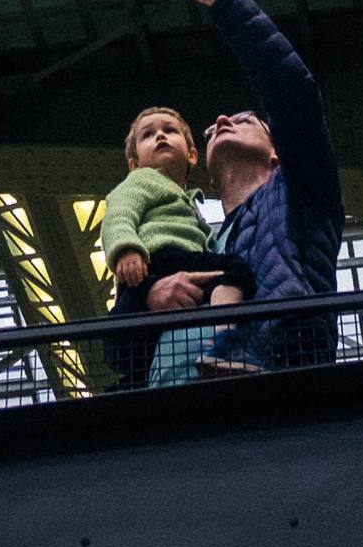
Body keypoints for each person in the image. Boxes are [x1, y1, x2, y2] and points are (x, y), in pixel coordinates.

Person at [138, 0, 345, 384]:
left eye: (244, 119)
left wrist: (222, 1)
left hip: (272, 378)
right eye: (213, 129)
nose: (220, 119)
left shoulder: (301, 192)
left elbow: (295, 94)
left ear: (277, 152)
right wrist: (154, 294)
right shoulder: (202, 241)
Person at [100, 107, 261, 386]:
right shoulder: (141, 181)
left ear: (191, 154)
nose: (160, 136)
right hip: (161, 259)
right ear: (134, 165)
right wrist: (126, 249)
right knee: (235, 270)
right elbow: (119, 214)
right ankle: (226, 343)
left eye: (170, 130)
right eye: (148, 135)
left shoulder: (185, 200)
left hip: (168, 267)